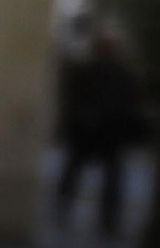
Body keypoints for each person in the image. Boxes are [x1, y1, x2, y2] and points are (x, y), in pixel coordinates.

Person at [56, 30, 145, 236]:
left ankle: (106, 220)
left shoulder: (117, 74)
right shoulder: (93, 72)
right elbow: (74, 100)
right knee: (78, 171)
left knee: (106, 176)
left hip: (106, 133)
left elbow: (130, 103)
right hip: (92, 132)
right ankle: (69, 210)